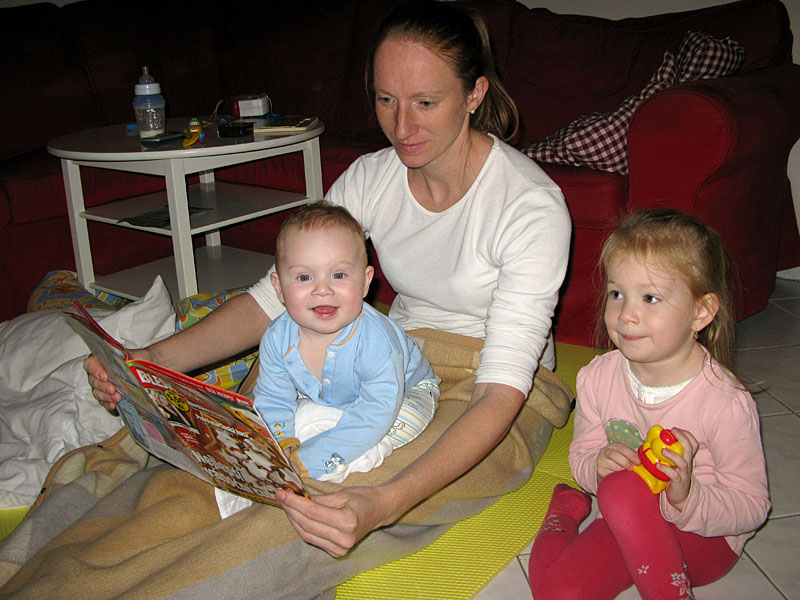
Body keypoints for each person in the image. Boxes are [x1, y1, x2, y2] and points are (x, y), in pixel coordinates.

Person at [86, 0, 571, 558]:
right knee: (242, 456)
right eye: (385, 100)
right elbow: (273, 298)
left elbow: (499, 389)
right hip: (397, 352)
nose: (401, 127)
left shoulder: (529, 207)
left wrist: (384, 504)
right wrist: (154, 359)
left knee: (330, 497)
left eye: (425, 102)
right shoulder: (371, 177)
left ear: (474, 94)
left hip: (500, 390)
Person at [528, 209, 769, 600]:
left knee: (624, 490)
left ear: (701, 312)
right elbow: (583, 457)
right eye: (617, 294)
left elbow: (752, 506)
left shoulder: (725, 402)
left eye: (650, 297)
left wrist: (687, 495)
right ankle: (563, 511)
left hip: (704, 539)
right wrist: (597, 466)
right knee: (557, 591)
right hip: (625, 519)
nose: (626, 314)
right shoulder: (597, 378)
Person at [253, 201, 439, 482]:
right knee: (282, 416)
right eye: (304, 277)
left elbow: (377, 411)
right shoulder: (277, 339)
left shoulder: (377, 343)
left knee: (401, 421)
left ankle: (359, 452)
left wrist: (313, 458)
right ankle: (334, 436)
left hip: (402, 394)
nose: (322, 290)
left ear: (364, 282)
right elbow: (273, 398)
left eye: (338, 275)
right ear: (279, 288)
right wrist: (281, 445)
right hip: (330, 398)